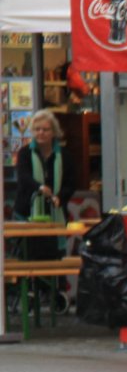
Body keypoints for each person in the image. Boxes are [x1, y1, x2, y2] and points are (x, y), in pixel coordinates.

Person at [12, 110, 75, 260]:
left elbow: (71, 183)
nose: (41, 133)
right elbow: (24, 177)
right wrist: (39, 188)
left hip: (55, 214)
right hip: (27, 214)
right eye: (37, 129)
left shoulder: (65, 155)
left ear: (54, 132)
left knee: (54, 258)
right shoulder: (24, 153)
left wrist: (60, 197)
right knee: (27, 257)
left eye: (45, 129)